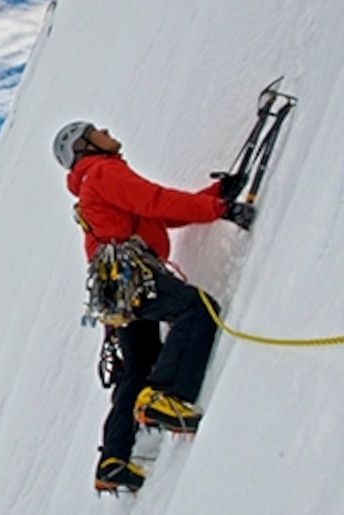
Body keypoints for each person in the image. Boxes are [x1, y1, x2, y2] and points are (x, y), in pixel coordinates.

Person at [52, 121, 254, 493]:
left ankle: (113, 460)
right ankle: (167, 396)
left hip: (115, 288)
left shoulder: (93, 181)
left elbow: (156, 214)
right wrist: (222, 209)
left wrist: (213, 196)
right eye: (95, 130)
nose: (105, 130)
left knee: (138, 365)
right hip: (132, 274)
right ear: (84, 146)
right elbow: (155, 201)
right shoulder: (103, 171)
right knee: (196, 310)